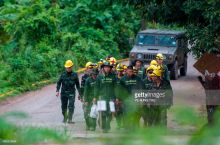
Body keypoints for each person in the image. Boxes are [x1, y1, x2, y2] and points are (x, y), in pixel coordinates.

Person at [95, 61, 116, 133]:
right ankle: (104, 126)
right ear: (103, 68)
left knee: (110, 113)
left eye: (108, 67)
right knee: (102, 112)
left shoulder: (113, 76)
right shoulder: (99, 77)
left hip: (111, 97)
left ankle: (107, 125)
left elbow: (115, 87)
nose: (107, 69)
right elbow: (96, 88)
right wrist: (95, 97)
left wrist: (116, 97)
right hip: (102, 97)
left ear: (110, 68)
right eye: (105, 67)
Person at [114, 63, 126, 129]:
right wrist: (116, 98)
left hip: (123, 98)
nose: (120, 72)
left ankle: (124, 125)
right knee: (117, 112)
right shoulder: (115, 78)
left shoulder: (125, 78)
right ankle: (118, 125)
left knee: (124, 112)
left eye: (121, 70)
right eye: (118, 70)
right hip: (116, 98)